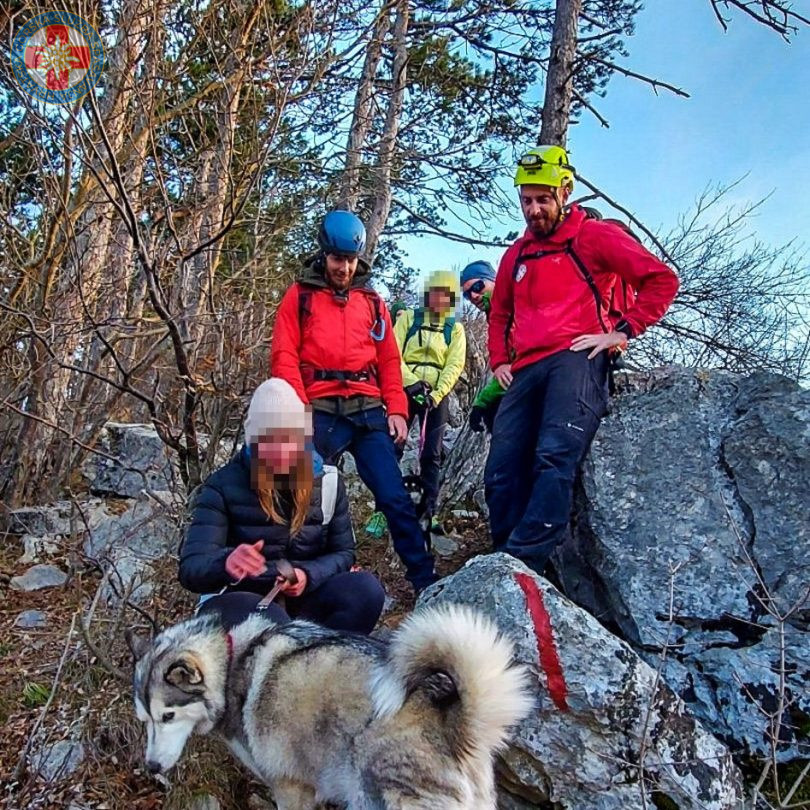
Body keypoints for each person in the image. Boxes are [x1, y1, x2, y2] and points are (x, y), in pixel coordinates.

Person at [485, 145, 679, 574]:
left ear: (564, 192)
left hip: (576, 356)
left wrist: (622, 330)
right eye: (526, 200)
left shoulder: (593, 236)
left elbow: (662, 280)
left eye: (543, 199)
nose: (534, 210)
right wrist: (499, 359)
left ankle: (523, 564)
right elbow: (499, 313)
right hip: (525, 367)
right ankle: (501, 564)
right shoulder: (516, 253)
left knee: (554, 457)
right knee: (500, 470)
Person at [270, 210, 438, 594]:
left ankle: (424, 580)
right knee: (305, 497)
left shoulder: (372, 302)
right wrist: (298, 409)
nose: (343, 268)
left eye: (350, 260)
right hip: (319, 409)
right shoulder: (300, 296)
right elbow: (284, 355)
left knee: (394, 496)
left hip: (366, 410)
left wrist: (397, 410)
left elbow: (389, 359)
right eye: (337, 259)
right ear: (324, 255)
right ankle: (299, 580)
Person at [178, 378, 385, 633]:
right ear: (254, 444)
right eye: (270, 443)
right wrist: (226, 562)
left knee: (366, 591)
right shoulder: (221, 486)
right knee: (272, 622)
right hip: (242, 603)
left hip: (304, 597)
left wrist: (307, 575)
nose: (282, 453)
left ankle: (327, 657)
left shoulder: (328, 481)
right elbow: (192, 568)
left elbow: (343, 552)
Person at [391, 270, 466, 529]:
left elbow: (454, 365)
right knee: (393, 446)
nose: (439, 300)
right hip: (405, 389)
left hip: (436, 395)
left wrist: (436, 393)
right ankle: (384, 507)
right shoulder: (409, 319)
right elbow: (392, 352)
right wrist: (410, 382)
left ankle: (428, 511)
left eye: (446, 296)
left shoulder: (455, 329)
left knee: (431, 454)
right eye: (435, 293)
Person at [459, 260, 511, 434]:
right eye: (467, 295)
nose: (473, 296)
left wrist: (484, 400)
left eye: (477, 286)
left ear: (494, 280)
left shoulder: (515, 303)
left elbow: (519, 361)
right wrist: (482, 402)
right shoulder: (494, 319)